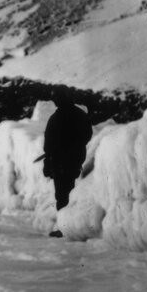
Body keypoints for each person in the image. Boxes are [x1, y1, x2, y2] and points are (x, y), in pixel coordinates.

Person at [42, 101, 92, 237]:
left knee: (62, 195)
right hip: (74, 160)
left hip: (60, 162)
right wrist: (75, 146)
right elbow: (87, 134)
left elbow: (48, 144)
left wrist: (48, 162)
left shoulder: (56, 117)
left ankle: (64, 229)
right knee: (69, 191)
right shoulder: (80, 114)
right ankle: (68, 226)